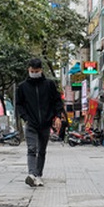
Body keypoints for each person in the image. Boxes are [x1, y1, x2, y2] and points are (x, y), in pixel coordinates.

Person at [15, 58, 65, 187]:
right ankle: (31, 174)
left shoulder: (49, 85)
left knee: (42, 150)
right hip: (31, 123)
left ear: (41, 70)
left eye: (36, 71)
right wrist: (25, 118)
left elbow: (57, 101)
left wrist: (57, 116)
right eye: (32, 71)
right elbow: (19, 104)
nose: (34, 73)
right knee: (32, 148)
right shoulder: (22, 87)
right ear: (28, 70)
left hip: (45, 124)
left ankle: (38, 175)